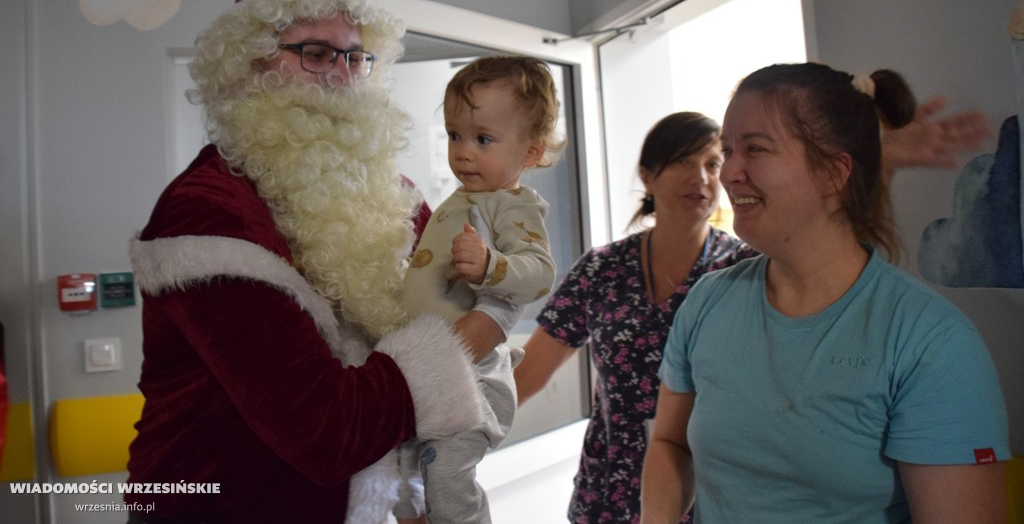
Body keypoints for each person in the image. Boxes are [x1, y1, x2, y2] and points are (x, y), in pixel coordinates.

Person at [514, 84, 994, 524]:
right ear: (648, 174)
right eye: (686, 161)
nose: (706, 177)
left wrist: (878, 159)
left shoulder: (739, 266)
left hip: (711, 496)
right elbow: (529, 374)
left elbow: (830, 253)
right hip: (611, 495)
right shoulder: (603, 271)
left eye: (711, 161)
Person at [126, 0, 485, 524]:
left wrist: (413, 494)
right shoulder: (208, 213)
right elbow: (327, 432)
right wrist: (470, 339)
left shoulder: (398, 197)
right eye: (316, 54)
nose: (342, 77)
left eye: (356, 57)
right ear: (249, 64)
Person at [641, 62, 1010, 523]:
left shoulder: (930, 342)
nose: (729, 172)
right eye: (729, 150)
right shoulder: (707, 302)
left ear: (834, 174)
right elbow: (670, 443)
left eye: (755, 149)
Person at [396, 55, 564, 524]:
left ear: (531, 151)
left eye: (483, 139)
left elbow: (541, 271)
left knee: (449, 485)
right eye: (454, 135)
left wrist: (492, 265)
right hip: (433, 374)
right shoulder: (466, 198)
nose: (463, 152)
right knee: (408, 484)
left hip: (473, 382)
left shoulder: (511, 204)